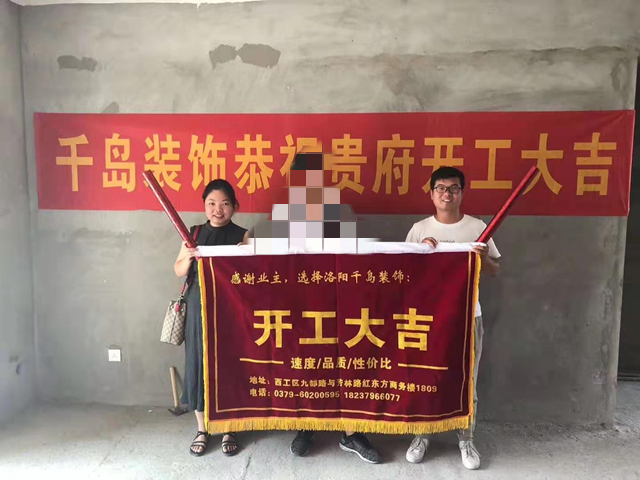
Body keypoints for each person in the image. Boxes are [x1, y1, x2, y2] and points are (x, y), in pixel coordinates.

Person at [404, 166, 500, 470]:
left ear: (462, 193)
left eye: (454, 188)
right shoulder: (419, 229)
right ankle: (422, 435)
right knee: (425, 378)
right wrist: (422, 252)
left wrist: (481, 257)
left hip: (468, 317)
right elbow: (404, 273)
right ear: (432, 194)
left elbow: (495, 269)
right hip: (427, 320)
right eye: (441, 188)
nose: (447, 194)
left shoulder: (477, 227)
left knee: (466, 381)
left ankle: (466, 438)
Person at [174, 179, 250, 457]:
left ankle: (229, 428)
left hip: (230, 309)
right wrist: (188, 256)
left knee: (228, 366)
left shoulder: (243, 235)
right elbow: (179, 270)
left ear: (235, 206)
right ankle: (202, 429)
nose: (218, 210)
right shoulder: (192, 233)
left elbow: (251, 275)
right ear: (205, 206)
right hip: (198, 307)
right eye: (212, 203)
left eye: (225, 204)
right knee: (197, 364)